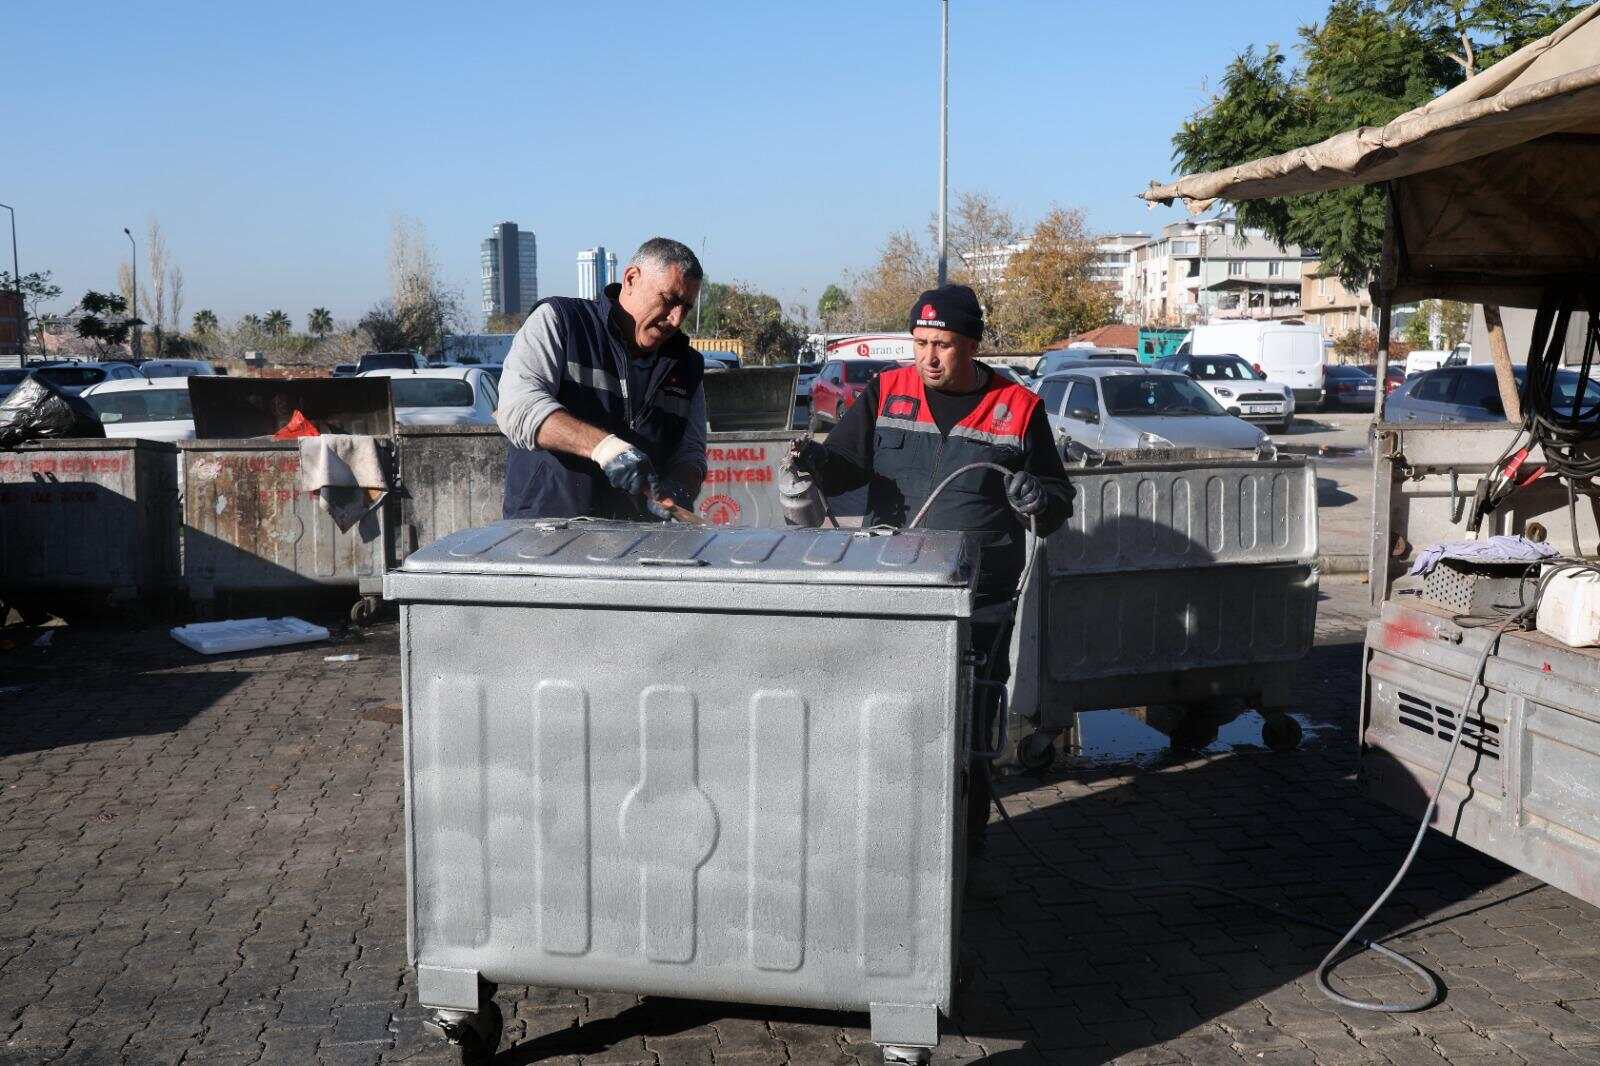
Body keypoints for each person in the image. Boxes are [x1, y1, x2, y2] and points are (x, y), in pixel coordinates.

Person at [790, 284, 1073, 854]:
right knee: (889, 718)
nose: (928, 358)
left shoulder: (1018, 408)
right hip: (897, 590)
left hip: (980, 599)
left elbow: (1058, 500)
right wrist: (816, 460)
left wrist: (1036, 498)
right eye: (919, 343)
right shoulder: (886, 392)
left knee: (968, 725)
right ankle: (887, 842)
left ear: (972, 345)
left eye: (942, 344)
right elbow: (845, 467)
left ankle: (963, 850)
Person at [496, 237, 708, 520]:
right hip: (546, 537)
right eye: (669, 300)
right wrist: (607, 448)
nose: (676, 319)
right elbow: (518, 408)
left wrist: (678, 491)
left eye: (686, 307)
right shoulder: (561, 322)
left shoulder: (687, 365)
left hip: (637, 547)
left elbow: (690, 454)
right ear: (631, 279)